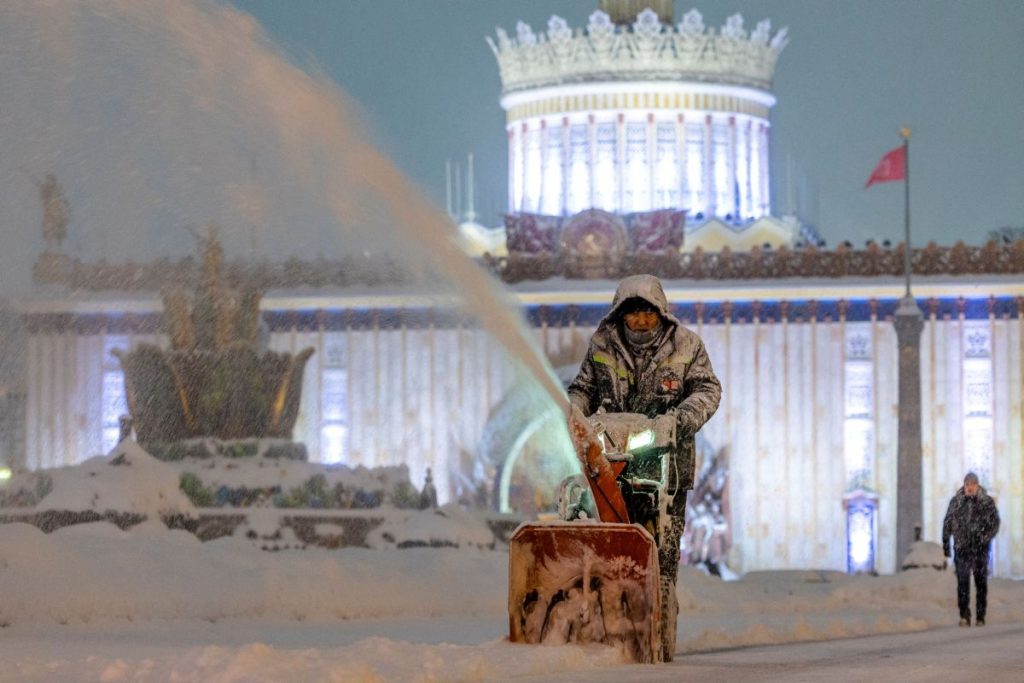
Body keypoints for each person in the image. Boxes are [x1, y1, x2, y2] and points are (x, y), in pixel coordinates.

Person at [568, 274, 722, 661]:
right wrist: (572, 409)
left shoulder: (687, 346)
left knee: (661, 552)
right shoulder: (603, 345)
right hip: (612, 458)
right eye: (632, 313)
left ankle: (659, 628)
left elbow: (708, 390)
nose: (639, 321)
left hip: (666, 462)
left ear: (660, 314)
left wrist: (677, 421)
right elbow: (584, 388)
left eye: (646, 313)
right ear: (620, 315)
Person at [942, 472, 1000, 627]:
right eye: (967, 484)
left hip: (980, 549)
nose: (970, 487)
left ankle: (980, 616)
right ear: (964, 485)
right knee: (962, 583)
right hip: (961, 549)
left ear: (977, 485)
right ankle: (964, 615)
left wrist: (985, 537)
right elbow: (947, 524)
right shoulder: (956, 502)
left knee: (980, 583)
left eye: (972, 484)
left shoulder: (986, 502)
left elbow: (994, 523)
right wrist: (946, 546)